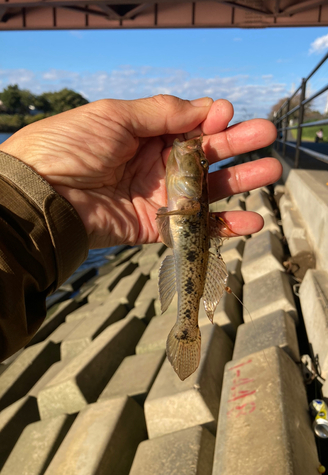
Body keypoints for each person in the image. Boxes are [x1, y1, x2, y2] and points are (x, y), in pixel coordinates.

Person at [0, 95, 281, 360]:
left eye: (202, 163)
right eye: (202, 163)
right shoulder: (183, 195)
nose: (198, 159)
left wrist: (23, 188)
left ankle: (187, 325)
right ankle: (188, 323)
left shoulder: (186, 200)